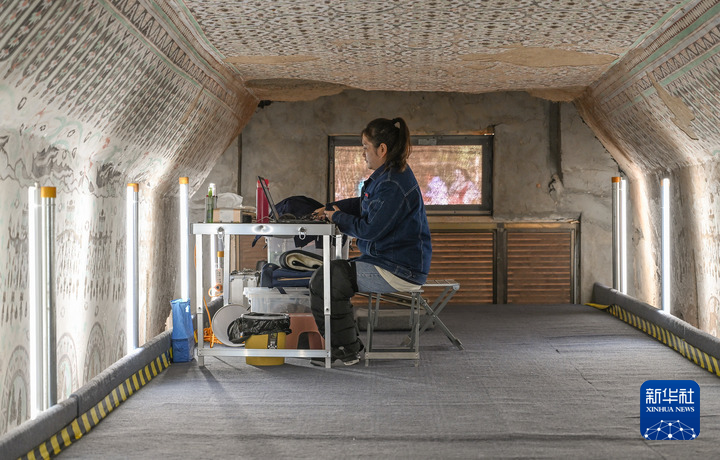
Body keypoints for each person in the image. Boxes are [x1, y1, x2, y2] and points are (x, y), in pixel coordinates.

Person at [309, 117, 432, 365]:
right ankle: (346, 345)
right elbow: (363, 203)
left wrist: (337, 217)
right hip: (389, 261)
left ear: (382, 149)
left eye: (365, 147)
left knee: (328, 279)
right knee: (331, 276)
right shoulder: (389, 176)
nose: (363, 153)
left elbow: (370, 230)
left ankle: (345, 349)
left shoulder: (392, 184)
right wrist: (330, 208)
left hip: (398, 269)